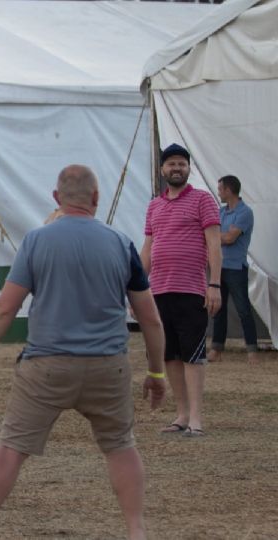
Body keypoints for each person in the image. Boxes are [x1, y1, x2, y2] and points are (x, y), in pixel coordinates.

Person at [0, 165, 167, 540]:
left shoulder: (37, 241)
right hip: (109, 366)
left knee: (11, 449)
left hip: (46, 365)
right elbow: (150, 318)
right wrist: (156, 373)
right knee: (121, 447)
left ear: (56, 198)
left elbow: (5, 308)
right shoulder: (122, 243)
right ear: (96, 198)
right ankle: (137, 530)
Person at [141, 143, 221, 438]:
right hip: (159, 290)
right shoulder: (154, 206)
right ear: (163, 170)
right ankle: (182, 414)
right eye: (171, 164)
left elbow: (214, 244)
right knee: (170, 355)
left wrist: (214, 284)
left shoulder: (203, 200)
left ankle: (197, 419)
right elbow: (148, 249)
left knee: (193, 355)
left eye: (181, 164)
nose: (176, 168)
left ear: (188, 168)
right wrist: (135, 284)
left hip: (192, 290)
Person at [209, 175, 258, 364]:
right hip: (219, 266)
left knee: (243, 309)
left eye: (220, 189)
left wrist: (214, 236)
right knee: (218, 310)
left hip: (236, 268)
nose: (219, 192)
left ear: (229, 190)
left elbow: (230, 238)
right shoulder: (221, 212)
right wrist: (217, 236)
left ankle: (252, 351)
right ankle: (216, 349)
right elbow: (218, 235)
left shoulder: (245, 212)